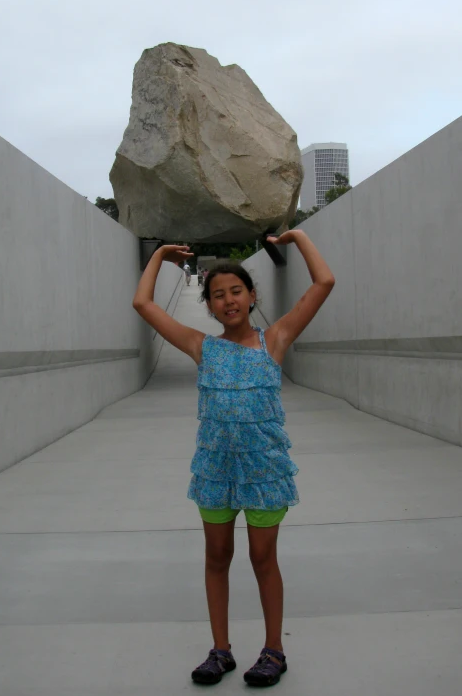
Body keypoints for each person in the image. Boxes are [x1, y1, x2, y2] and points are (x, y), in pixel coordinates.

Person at [132, 229, 335, 687]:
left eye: (236, 291)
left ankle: (273, 651)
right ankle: (220, 651)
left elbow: (323, 283)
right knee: (217, 557)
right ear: (209, 306)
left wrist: (299, 237)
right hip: (216, 473)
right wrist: (162, 255)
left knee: (264, 560)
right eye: (218, 295)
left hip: (263, 473)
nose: (228, 301)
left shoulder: (275, 339)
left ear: (251, 296)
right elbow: (143, 305)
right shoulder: (201, 346)